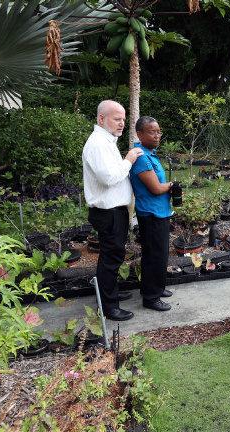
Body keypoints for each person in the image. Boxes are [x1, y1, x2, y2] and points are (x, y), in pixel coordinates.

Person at [83, 100, 143, 321]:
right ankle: (109, 307)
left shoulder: (106, 141)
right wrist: (128, 160)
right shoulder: (97, 143)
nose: (122, 124)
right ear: (101, 119)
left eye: (124, 120)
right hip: (108, 212)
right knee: (110, 257)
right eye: (117, 119)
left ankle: (111, 293)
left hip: (114, 211)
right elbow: (108, 178)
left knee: (113, 255)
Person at [129, 116, 174, 312]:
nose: (157, 135)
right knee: (154, 255)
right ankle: (151, 297)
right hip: (151, 214)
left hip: (160, 212)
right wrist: (172, 186)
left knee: (159, 253)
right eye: (152, 132)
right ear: (140, 134)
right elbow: (155, 188)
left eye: (159, 131)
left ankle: (157, 287)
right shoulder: (141, 158)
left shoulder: (150, 153)